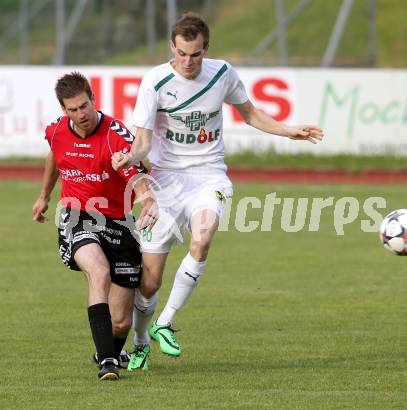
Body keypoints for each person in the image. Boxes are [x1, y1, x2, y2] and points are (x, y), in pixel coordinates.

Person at [112, 13, 323, 370]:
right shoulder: (155, 81)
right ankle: (142, 342)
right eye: (181, 53)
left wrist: (288, 131)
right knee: (149, 281)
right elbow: (143, 141)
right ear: (172, 47)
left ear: (205, 49)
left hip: (210, 175)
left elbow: (250, 113)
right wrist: (128, 156)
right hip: (166, 180)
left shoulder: (222, 73)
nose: (188, 62)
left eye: (195, 54)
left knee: (204, 235)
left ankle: (167, 322)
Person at [32, 72, 157, 380]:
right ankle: (108, 363)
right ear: (63, 109)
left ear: (93, 99)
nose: (80, 114)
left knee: (121, 323)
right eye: (72, 109)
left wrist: (146, 198)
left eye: (84, 106)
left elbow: (136, 172)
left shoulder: (116, 134)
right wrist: (44, 195)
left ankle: (109, 349)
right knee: (98, 271)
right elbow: (55, 155)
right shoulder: (58, 131)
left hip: (118, 222)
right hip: (77, 216)